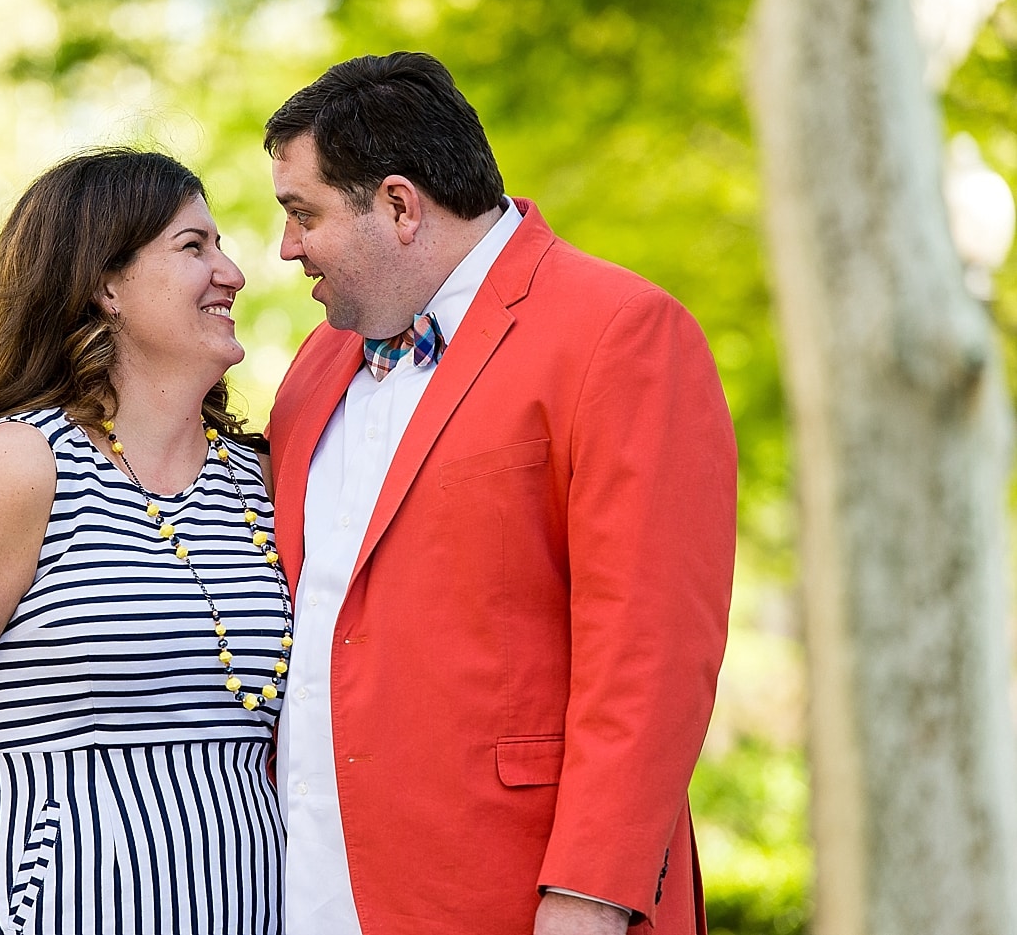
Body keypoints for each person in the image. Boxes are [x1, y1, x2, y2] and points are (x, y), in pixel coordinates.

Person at [262, 52, 737, 935]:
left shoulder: (619, 332)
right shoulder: (315, 365)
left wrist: (591, 896)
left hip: (516, 893)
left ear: (400, 205)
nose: (286, 247)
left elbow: (652, 650)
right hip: (312, 889)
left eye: (303, 213)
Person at [0, 148, 291, 935]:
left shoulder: (261, 478)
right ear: (104, 283)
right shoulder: (28, 462)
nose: (233, 272)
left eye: (220, 245)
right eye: (194, 247)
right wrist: (26, 849)